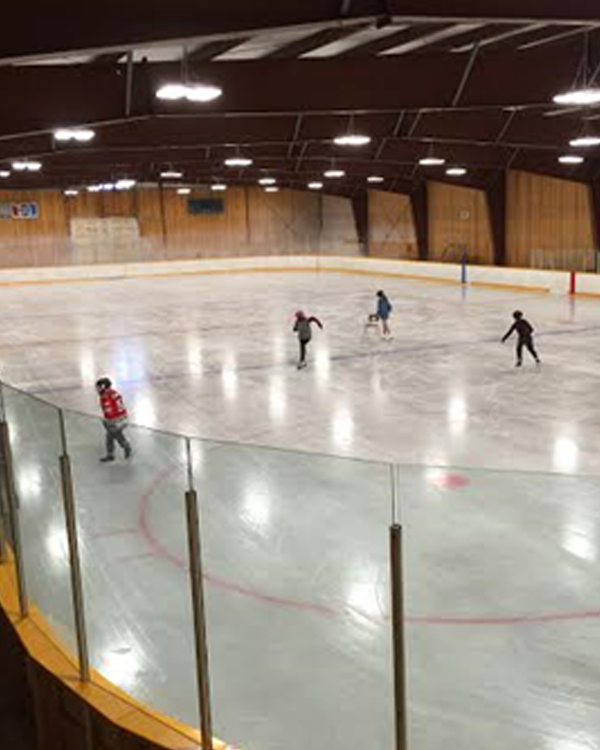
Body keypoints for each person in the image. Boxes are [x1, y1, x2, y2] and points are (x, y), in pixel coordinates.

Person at [96, 377, 132, 462]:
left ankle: (124, 448)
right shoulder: (114, 392)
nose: (97, 390)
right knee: (112, 435)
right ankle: (120, 450)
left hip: (116, 420)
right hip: (123, 418)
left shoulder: (105, 397)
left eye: (98, 387)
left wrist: (106, 421)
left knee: (112, 435)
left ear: (103, 387)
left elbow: (109, 412)